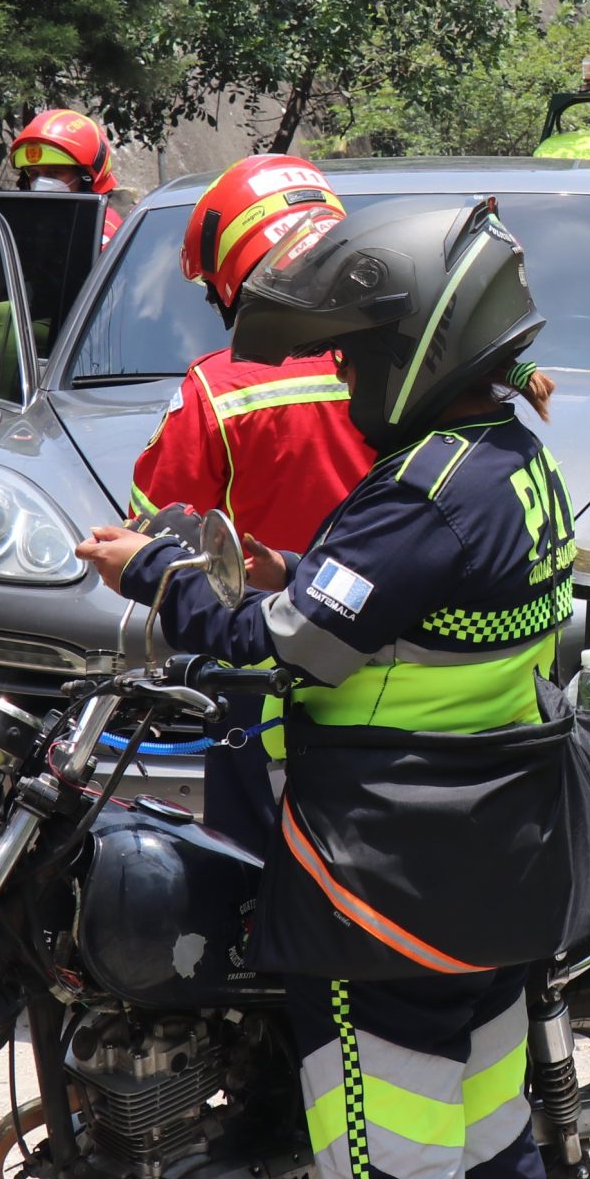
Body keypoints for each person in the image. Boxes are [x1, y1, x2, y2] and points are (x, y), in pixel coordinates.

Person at [75, 196, 574, 1179]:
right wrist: (295, 570)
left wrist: (154, 573)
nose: (342, 374)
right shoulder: (516, 464)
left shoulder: (421, 491)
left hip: (381, 880)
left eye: (357, 353)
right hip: (492, 856)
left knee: (382, 1167)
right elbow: (427, 614)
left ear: (419, 351)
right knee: (487, 1129)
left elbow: (288, 645)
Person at [126, 154, 372, 836]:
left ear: (238, 278)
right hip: (390, 670)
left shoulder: (219, 388)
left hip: (263, 674)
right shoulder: (404, 369)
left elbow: (152, 527)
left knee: (248, 873)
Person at [8, 108, 123, 241]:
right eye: (34, 173)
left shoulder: (102, 231)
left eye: (54, 173)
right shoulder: (31, 224)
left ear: (86, 178)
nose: (40, 182)